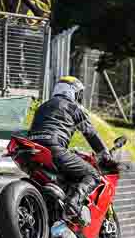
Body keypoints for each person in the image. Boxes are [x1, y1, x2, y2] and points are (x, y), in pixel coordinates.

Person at [26, 76, 115, 223]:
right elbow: (91, 134)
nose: (79, 98)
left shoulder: (42, 107)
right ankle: (73, 205)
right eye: (79, 94)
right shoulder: (72, 108)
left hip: (33, 148)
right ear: (71, 92)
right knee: (93, 175)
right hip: (54, 148)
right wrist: (105, 153)